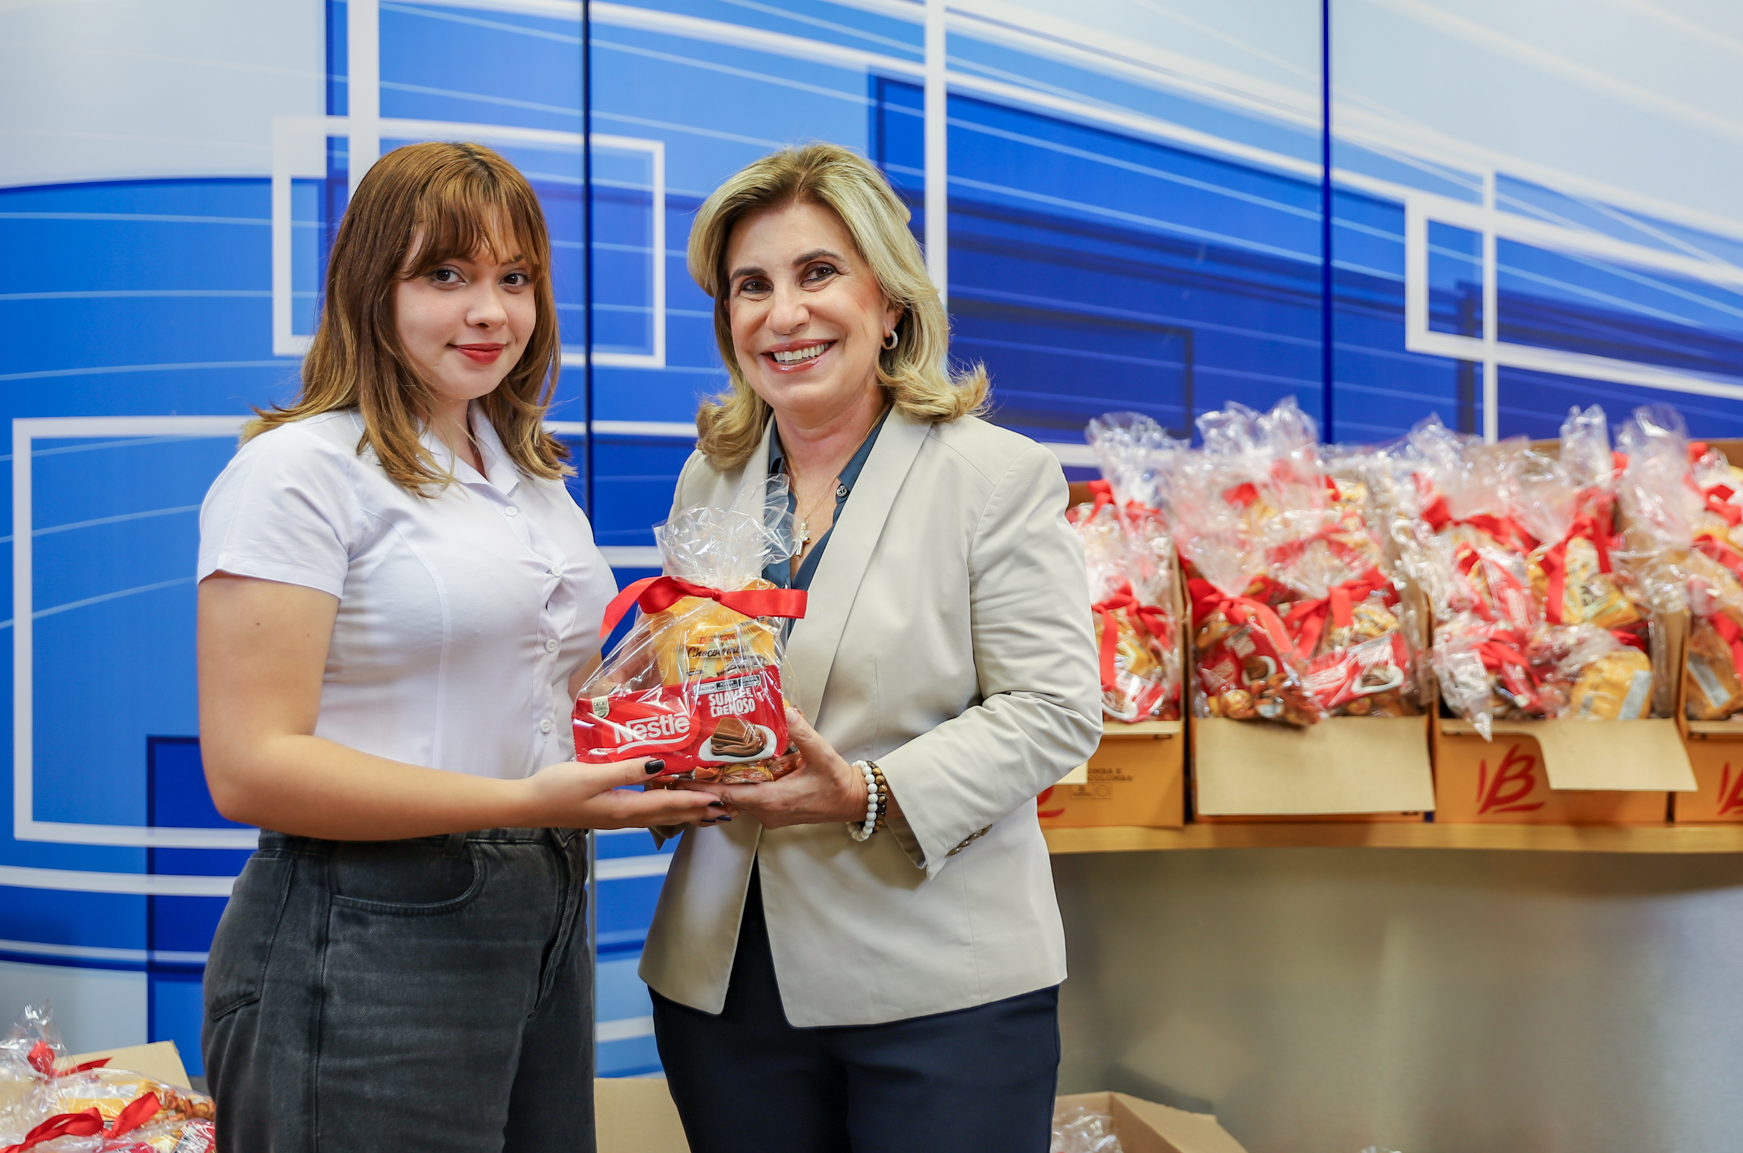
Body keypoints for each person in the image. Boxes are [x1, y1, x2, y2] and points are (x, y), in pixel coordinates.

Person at [195, 141, 726, 1152]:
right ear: (370, 288)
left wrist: (693, 712)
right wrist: (526, 804)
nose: (491, 312)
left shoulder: (530, 478)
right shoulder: (298, 473)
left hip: (545, 908)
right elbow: (251, 768)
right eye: (447, 275)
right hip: (363, 928)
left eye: (514, 279)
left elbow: (546, 697)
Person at [642, 142, 1102, 1153]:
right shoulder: (709, 482)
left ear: (888, 300)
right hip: (724, 984)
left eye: (818, 274)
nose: (783, 313)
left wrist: (867, 791)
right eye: (749, 286)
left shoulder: (993, 478)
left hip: (939, 986)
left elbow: (1056, 711)